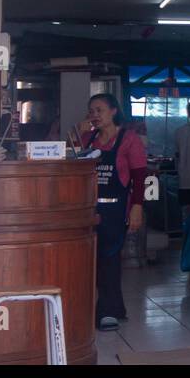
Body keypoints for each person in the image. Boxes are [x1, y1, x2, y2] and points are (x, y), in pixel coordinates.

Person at [70, 93, 147, 332]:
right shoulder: (88, 139)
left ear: (113, 111)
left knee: (109, 257)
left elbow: (139, 176)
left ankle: (106, 312)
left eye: (99, 110)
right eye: (91, 111)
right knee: (96, 258)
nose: (94, 115)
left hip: (116, 207)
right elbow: (70, 163)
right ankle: (116, 307)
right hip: (90, 206)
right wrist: (77, 135)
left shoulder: (129, 139)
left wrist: (137, 207)